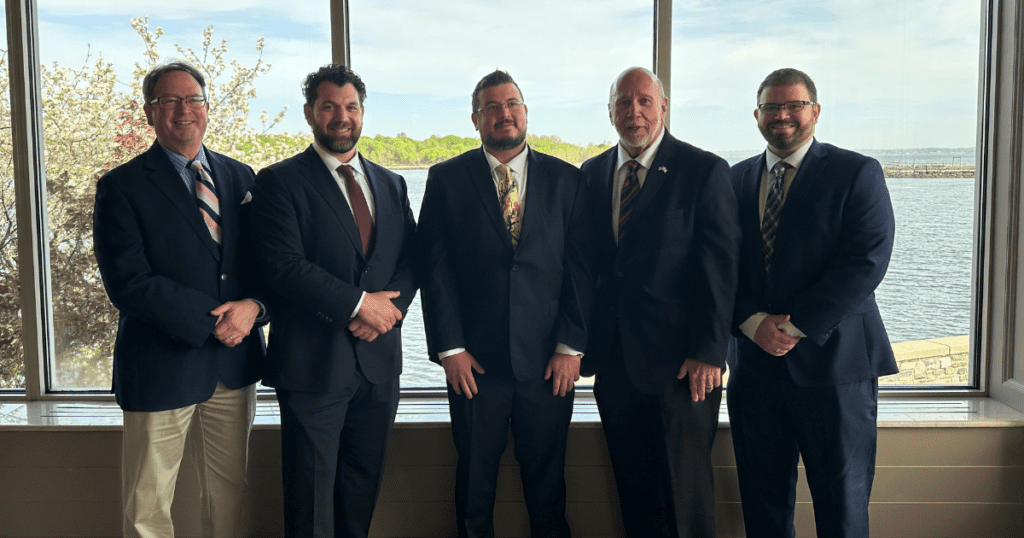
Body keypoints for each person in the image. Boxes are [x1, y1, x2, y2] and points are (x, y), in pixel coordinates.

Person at [93, 61, 268, 538]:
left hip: (233, 367)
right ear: (150, 113)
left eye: (193, 99)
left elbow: (269, 266)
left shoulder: (241, 177)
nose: (182, 110)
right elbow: (128, 282)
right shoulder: (120, 187)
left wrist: (255, 307)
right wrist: (211, 321)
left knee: (229, 495)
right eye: (168, 101)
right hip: (158, 366)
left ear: (208, 108)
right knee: (148, 505)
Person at [417, 70, 593, 538]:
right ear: (476, 119)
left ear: (526, 111)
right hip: (474, 368)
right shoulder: (446, 179)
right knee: (474, 487)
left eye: (512, 103)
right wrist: (450, 350)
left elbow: (581, 271)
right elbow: (435, 272)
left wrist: (571, 347)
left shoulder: (567, 179)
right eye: (492, 107)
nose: (504, 113)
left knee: (548, 488)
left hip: (549, 367)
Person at [727, 67, 897, 538]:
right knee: (763, 507)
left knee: (842, 508)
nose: (782, 115)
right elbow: (717, 267)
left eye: (793, 105)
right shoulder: (733, 179)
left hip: (835, 369)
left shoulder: (856, 171)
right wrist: (751, 322)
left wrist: (794, 325)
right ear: (756, 116)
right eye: (771, 107)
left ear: (815, 112)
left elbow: (866, 259)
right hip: (754, 369)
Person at [250, 64, 417, 538]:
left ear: (362, 113)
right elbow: (283, 266)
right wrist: (358, 304)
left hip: (379, 365)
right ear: (310, 113)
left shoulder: (390, 183)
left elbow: (411, 259)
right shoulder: (279, 182)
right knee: (311, 500)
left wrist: (388, 313)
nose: (341, 117)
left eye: (350, 107)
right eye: (329, 107)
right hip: (312, 366)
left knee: (361, 490)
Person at [580, 66, 741, 537]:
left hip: (683, 368)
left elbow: (721, 268)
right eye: (624, 103)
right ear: (610, 112)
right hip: (615, 364)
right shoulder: (592, 174)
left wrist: (709, 351)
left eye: (645, 101)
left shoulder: (703, 170)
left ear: (663, 108)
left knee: (685, 496)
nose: (635, 112)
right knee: (635, 494)